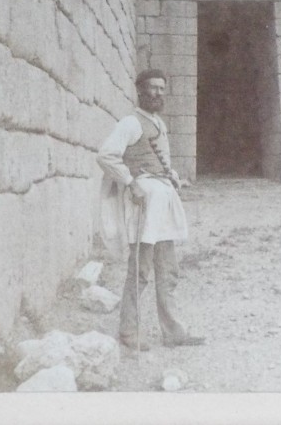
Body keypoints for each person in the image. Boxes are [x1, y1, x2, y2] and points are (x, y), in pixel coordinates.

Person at [97, 69, 205, 350]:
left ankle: (173, 332)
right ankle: (129, 332)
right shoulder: (130, 123)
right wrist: (131, 182)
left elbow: (158, 160)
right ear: (140, 91)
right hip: (145, 206)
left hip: (162, 205)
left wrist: (171, 175)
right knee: (141, 271)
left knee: (168, 270)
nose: (157, 93)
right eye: (152, 88)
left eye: (161, 88)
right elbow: (106, 155)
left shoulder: (157, 122)